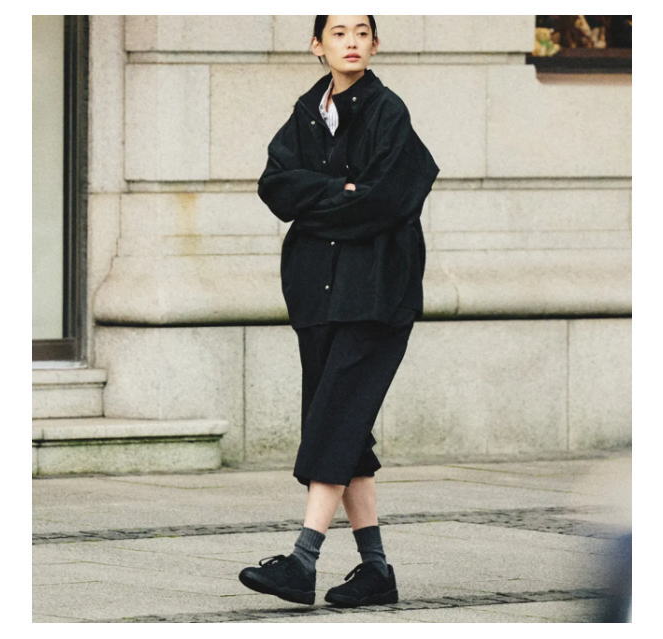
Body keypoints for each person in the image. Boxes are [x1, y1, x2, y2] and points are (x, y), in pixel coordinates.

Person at [238, 15, 439, 608]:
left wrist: (320, 201)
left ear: (375, 44)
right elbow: (275, 186)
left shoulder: (387, 112)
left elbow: (387, 201)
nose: (351, 42)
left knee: (333, 419)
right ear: (317, 46)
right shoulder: (307, 112)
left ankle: (302, 560)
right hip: (318, 293)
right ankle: (376, 571)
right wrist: (338, 192)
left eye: (361, 33)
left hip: (375, 294)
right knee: (341, 423)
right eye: (338, 33)